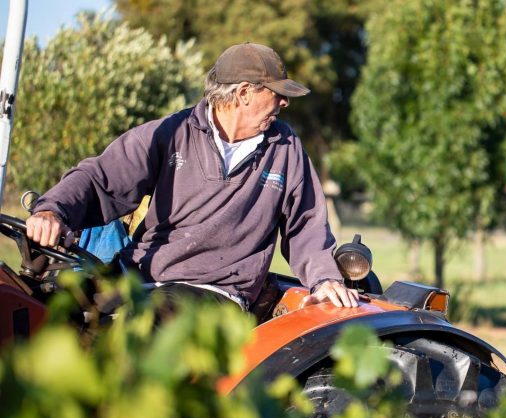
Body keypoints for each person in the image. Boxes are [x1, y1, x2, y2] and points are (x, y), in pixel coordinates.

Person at [25, 42, 359, 311]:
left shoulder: (285, 147)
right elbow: (100, 177)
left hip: (214, 292)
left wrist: (324, 279)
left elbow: (306, 226)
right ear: (244, 93)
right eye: (276, 93)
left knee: (136, 330)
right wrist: (52, 211)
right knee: (55, 310)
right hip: (137, 276)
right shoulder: (171, 133)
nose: (284, 102)